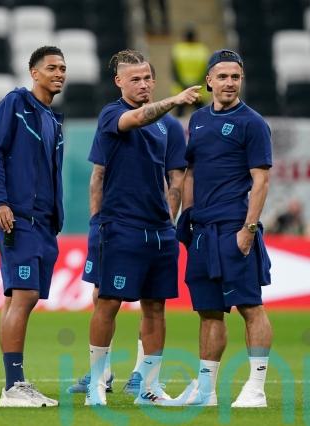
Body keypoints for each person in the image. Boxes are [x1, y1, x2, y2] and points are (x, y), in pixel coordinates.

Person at [84, 50, 200, 406]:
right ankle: (96, 383)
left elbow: (176, 178)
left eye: (148, 77)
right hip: (120, 226)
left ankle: (149, 387)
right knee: (108, 302)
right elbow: (99, 173)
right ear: (119, 82)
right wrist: (96, 222)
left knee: (155, 308)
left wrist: (169, 219)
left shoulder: (171, 128)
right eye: (135, 79)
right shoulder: (112, 114)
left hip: (159, 231)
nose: (144, 84)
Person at [172, 49, 273, 408]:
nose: (229, 83)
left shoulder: (253, 123)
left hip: (234, 226)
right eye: (223, 76)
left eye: (236, 77)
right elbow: (191, 173)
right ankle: (206, 391)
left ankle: (256, 389)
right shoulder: (198, 120)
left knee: (250, 306)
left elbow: (260, 181)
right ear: (209, 81)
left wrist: (249, 228)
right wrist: (186, 216)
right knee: (209, 311)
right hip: (202, 230)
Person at [0, 45, 66, 408]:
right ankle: (14, 386)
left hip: (42, 221)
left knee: (16, 297)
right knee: (25, 295)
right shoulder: (15, 103)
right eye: (52, 68)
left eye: (62, 68)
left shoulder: (53, 119)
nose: (59, 73)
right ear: (34, 73)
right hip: (15, 215)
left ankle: (13, 384)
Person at [171, 26, 209, 116]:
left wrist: (185, 86)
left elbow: (174, 70)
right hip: (199, 89)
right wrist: (196, 85)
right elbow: (207, 70)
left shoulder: (178, 49)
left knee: (179, 118)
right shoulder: (203, 49)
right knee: (202, 117)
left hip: (181, 89)